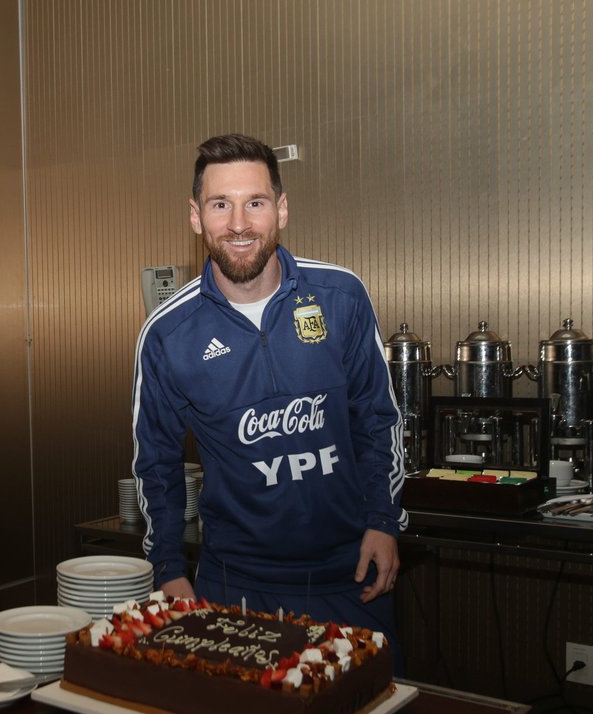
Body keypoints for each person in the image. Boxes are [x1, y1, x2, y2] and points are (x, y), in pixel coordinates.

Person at [131, 134, 407, 668]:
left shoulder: (341, 296)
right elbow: (156, 463)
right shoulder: (167, 333)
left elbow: (377, 419)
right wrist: (167, 566)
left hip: (352, 576)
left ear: (280, 209)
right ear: (196, 217)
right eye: (220, 205)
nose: (238, 224)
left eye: (254, 202)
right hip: (234, 585)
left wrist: (384, 520)